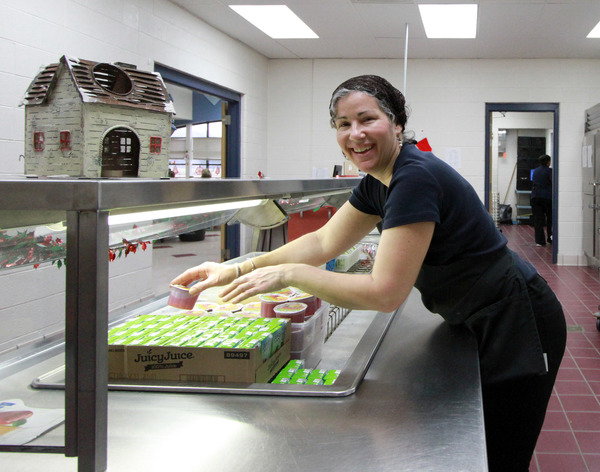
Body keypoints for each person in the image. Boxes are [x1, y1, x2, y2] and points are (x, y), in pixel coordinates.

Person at [172, 75, 566, 472]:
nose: (355, 134)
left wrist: (290, 275)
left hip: (517, 318)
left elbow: (385, 293)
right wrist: (238, 266)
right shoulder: (379, 181)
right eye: (343, 124)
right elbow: (323, 242)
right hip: (477, 312)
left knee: (501, 451)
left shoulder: (414, 176)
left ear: (396, 123)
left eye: (366, 119)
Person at [530, 154, 552, 246]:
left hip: (535, 197)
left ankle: (540, 241)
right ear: (548, 162)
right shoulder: (550, 171)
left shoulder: (535, 171)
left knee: (538, 220)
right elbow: (552, 182)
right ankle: (550, 238)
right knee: (550, 218)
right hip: (547, 197)